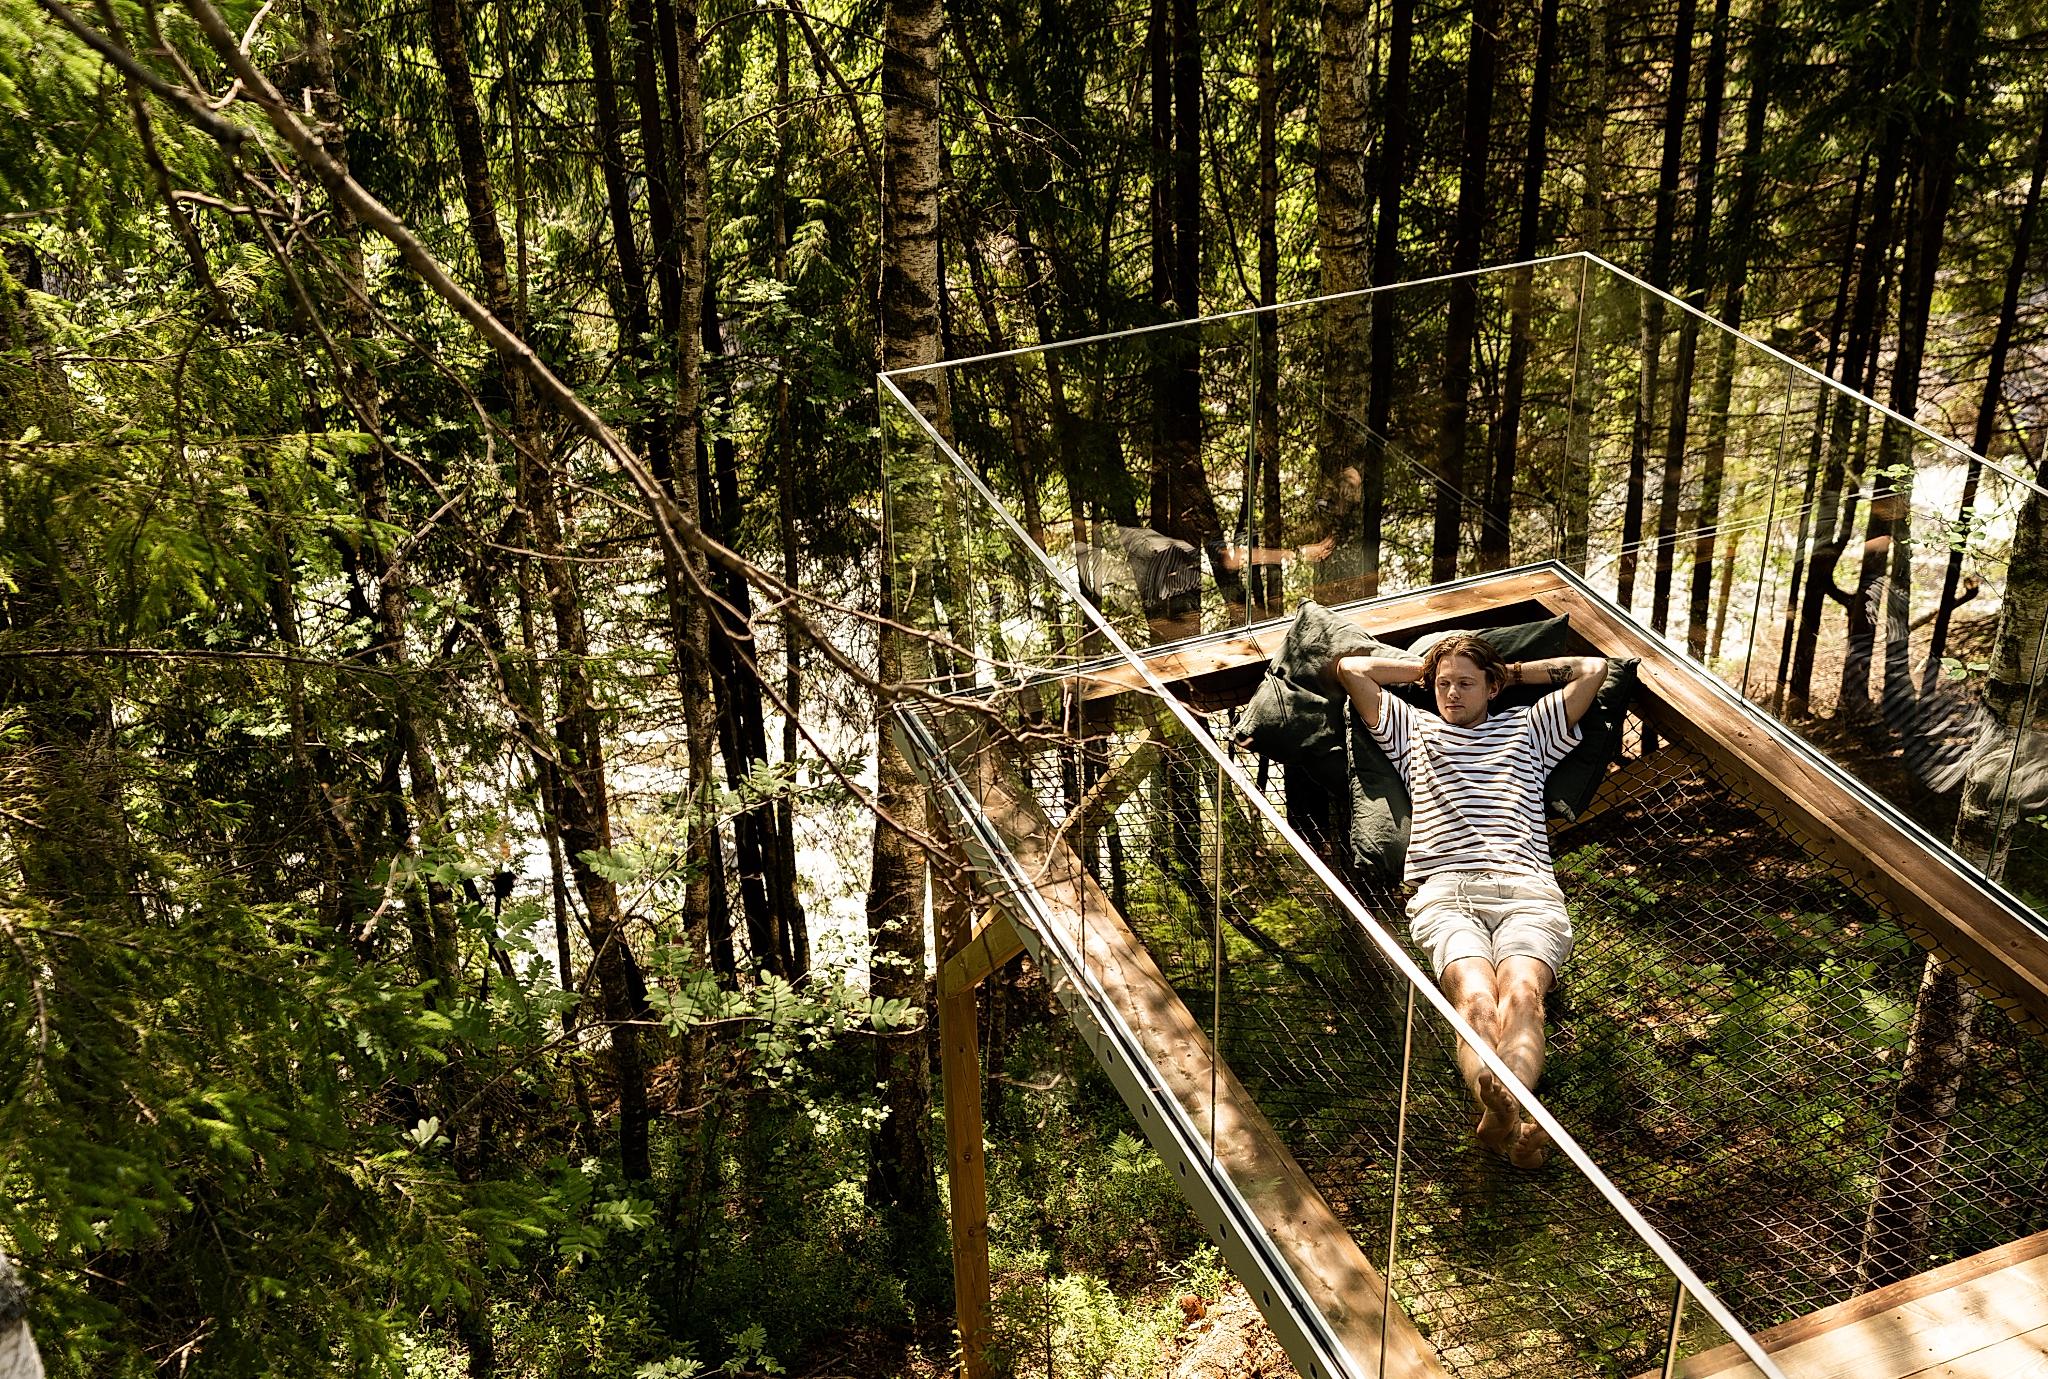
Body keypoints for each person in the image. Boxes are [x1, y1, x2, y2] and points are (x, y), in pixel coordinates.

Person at [1329, 634, 1607, 1168]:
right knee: (1476, 999)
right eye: (1443, 685)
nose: (1451, 693)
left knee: (1522, 994)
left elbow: (1591, 669)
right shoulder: (1413, 730)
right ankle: (1499, 1100)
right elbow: (1352, 669)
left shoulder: (1530, 728)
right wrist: (1424, 668)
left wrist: (1510, 670)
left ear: (1491, 687)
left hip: (1526, 888)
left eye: (1465, 683)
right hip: (1447, 892)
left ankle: (1505, 1110)